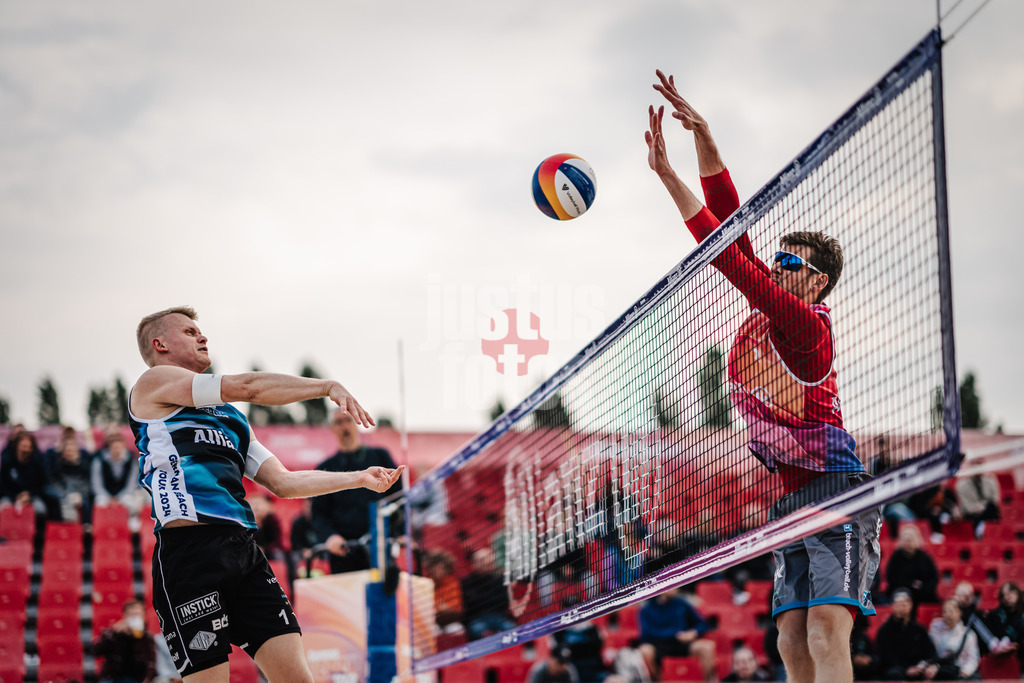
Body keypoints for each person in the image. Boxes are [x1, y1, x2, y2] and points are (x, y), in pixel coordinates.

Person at [647, 72, 880, 683]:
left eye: (788, 262)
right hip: (788, 494)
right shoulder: (765, 314)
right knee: (789, 635)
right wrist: (702, 137)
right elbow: (732, 226)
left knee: (828, 626)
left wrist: (672, 180)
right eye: (774, 259)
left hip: (835, 487)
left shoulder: (805, 325)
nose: (773, 266)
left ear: (817, 280)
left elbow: (726, 251)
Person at [128, 306, 403, 682]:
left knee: (297, 677)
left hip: (243, 550)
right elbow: (249, 386)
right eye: (190, 332)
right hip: (188, 553)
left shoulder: (232, 419)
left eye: (200, 331)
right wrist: (325, 386)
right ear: (160, 344)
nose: (202, 337)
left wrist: (359, 478)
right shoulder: (153, 384)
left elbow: (285, 483)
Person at [311, 409, 403, 573]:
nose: (344, 426)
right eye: (339, 422)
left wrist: (401, 532)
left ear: (357, 424)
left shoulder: (380, 457)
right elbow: (319, 513)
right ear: (332, 428)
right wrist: (330, 537)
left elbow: (398, 498)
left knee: (381, 594)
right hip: (344, 549)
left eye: (348, 421)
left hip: (380, 544)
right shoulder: (325, 468)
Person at [638, 589, 717, 683]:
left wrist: (694, 632)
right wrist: (674, 633)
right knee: (645, 650)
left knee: (707, 647)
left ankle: (707, 681)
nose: (675, 587)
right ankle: (655, 680)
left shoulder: (682, 604)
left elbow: (702, 623)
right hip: (658, 645)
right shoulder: (647, 609)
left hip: (682, 643)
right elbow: (647, 633)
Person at [876, 589, 939, 681]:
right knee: (894, 674)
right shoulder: (884, 631)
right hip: (897, 669)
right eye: (898, 605)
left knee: (943, 673)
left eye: (904, 604)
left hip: (919, 668)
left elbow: (930, 652)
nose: (901, 608)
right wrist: (907, 669)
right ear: (892, 606)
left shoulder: (919, 629)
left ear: (911, 605)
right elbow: (886, 658)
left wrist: (928, 666)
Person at [93, 599, 157, 683]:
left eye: (137, 615)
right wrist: (115, 633)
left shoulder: (147, 638)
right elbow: (95, 651)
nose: (134, 618)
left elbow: (151, 665)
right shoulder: (112, 633)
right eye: (131, 615)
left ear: (144, 617)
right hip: (111, 677)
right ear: (124, 616)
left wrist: (146, 681)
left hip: (136, 679)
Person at [0, 430, 60, 520]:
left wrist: (29, 495)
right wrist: (15, 497)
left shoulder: (37, 464)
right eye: (24, 446)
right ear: (17, 446)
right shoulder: (7, 463)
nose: (26, 450)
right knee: (3, 507)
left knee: (40, 509)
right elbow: (2, 486)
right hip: (10, 496)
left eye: (29, 447)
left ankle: (38, 534)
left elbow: (42, 485)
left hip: (32, 497)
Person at [460, 547, 514, 640]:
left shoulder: (500, 579)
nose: (484, 562)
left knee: (510, 628)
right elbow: (469, 604)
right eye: (480, 560)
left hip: (499, 617)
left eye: (487, 559)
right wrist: (490, 598)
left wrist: (480, 599)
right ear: (473, 563)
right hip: (476, 618)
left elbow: (503, 601)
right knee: (476, 629)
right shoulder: (466, 582)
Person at [92, 427, 145, 517]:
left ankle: (129, 529)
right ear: (109, 447)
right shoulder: (99, 459)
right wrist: (109, 498)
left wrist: (119, 497)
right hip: (105, 494)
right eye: (114, 447)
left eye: (118, 447)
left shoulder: (131, 459)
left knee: (131, 503)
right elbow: (96, 483)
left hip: (125, 494)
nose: (116, 450)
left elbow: (132, 483)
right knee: (100, 503)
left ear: (123, 446)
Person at [886, 524, 940, 605]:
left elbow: (933, 577)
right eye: (905, 539)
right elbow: (892, 579)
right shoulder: (895, 558)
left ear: (917, 540)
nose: (908, 542)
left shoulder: (924, 557)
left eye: (910, 539)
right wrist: (910, 584)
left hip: (923, 592)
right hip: (902, 592)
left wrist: (923, 587)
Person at [927, 599, 980, 680]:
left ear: (959, 613)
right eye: (945, 611)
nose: (948, 615)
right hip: (939, 671)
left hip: (960, 673)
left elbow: (973, 659)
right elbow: (929, 651)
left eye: (951, 611)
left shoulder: (968, 634)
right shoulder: (935, 629)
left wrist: (964, 673)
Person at [50, 435, 93, 523]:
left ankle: (86, 528)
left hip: (81, 495)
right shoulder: (57, 466)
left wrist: (80, 495)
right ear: (63, 453)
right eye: (67, 451)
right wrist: (66, 494)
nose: (70, 453)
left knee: (86, 503)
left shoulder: (85, 467)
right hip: (64, 495)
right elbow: (55, 483)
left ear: (77, 452)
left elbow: (87, 484)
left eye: (72, 451)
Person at [952, 581, 1001, 655]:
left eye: (970, 594)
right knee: (974, 618)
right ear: (956, 595)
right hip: (954, 642)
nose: (967, 596)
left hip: (970, 646)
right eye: (963, 594)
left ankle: (998, 640)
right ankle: (992, 643)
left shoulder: (975, 612)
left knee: (991, 615)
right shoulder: (951, 608)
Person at [982, 582, 1024, 665]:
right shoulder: (996, 614)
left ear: (1017, 593)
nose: (1007, 597)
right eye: (1004, 595)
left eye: (1010, 593)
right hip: (1002, 646)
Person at [954, 473, 1001, 540]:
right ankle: (978, 532)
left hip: (986, 510)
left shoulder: (990, 481)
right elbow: (966, 504)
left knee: (991, 508)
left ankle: (982, 529)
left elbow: (995, 499)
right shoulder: (962, 485)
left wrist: (983, 507)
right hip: (971, 512)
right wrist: (978, 508)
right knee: (975, 516)